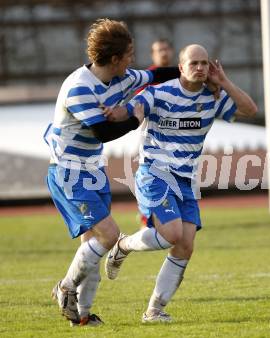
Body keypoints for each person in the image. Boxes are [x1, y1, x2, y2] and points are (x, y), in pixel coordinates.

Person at [104, 44, 257, 322]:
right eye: (194, 63)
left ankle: (154, 310)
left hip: (185, 179)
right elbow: (134, 108)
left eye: (204, 63)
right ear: (181, 67)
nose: (200, 68)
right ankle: (123, 245)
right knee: (172, 234)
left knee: (185, 245)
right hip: (155, 172)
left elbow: (249, 109)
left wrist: (224, 81)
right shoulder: (160, 92)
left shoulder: (214, 96)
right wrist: (119, 114)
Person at [44, 18, 179, 326]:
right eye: (129, 54)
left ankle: (83, 315)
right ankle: (65, 287)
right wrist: (135, 118)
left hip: (92, 168)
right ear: (115, 58)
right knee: (108, 236)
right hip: (68, 172)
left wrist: (190, 71)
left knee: (91, 243)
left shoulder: (122, 76)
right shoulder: (79, 87)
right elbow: (103, 131)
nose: (133, 59)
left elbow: (155, 74)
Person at [137, 39, 175, 227]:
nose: (163, 53)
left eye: (166, 48)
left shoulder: (182, 78)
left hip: (177, 142)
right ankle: (146, 216)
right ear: (153, 55)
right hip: (153, 140)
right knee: (151, 176)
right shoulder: (149, 78)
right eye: (159, 50)